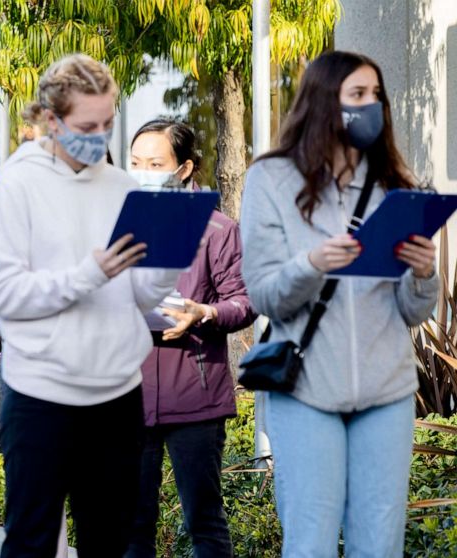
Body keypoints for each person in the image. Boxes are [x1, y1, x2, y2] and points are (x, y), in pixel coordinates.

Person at [0, 54, 182, 557]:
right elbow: (5, 296)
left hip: (117, 394)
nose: (101, 136)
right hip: (41, 394)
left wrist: (169, 261)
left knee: (110, 543)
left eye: (109, 123)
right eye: (87, 126)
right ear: (51, 119)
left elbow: (136, 296)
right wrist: (88, 274)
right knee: (31, 542)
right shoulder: (15, 186)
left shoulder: (121, 186)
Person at [240, 51, 438, 557]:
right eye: (357, 96)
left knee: (381, 543)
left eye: (376, 96)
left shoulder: (396, 184)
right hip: (306, 389)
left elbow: (413, 313)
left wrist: (423, 272)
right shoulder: (271, 179)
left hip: (386, 390)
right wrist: (312, 262)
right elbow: (264, 294)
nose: (371, 106)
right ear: (324, 102)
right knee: (311, 542)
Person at [124, 120, 257, 558]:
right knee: (131, 524)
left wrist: (206, 312)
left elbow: (244, 301)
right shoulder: (120, 225)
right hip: (127, 394)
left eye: (155, 163)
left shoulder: (218, 229)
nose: (143, 171)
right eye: (136, 162)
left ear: (183, 168)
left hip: (196, 396)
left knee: (204, 518)